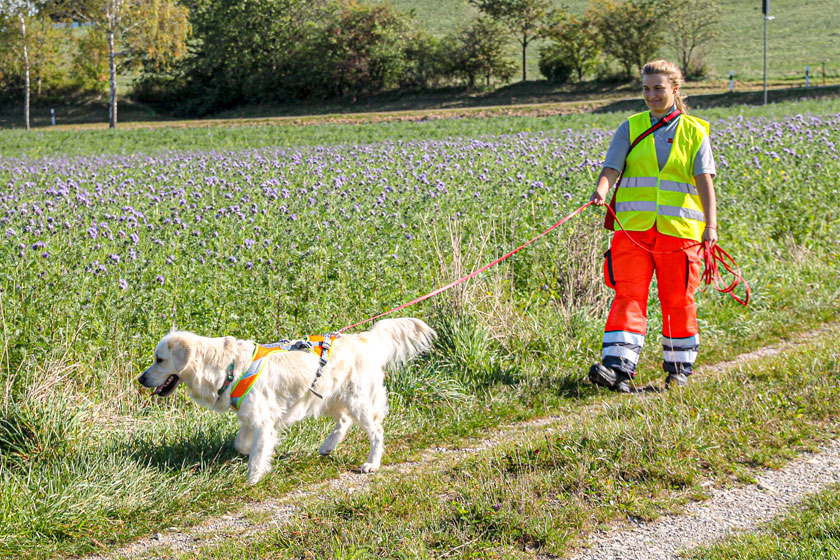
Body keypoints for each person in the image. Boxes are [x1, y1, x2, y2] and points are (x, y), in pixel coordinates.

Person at [588, 59, 718, 393]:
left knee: (678, 300)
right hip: (632, 230)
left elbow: (705, 183)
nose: (651, 95)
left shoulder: (695, 132)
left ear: (675, 89)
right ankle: (618, 369)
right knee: (628, 296)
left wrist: (711, 226)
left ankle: (678, 370)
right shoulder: (629, 127)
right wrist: (600, 191)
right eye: (646, 89)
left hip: (681, 233)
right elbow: (611, 167)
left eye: (658, 88)